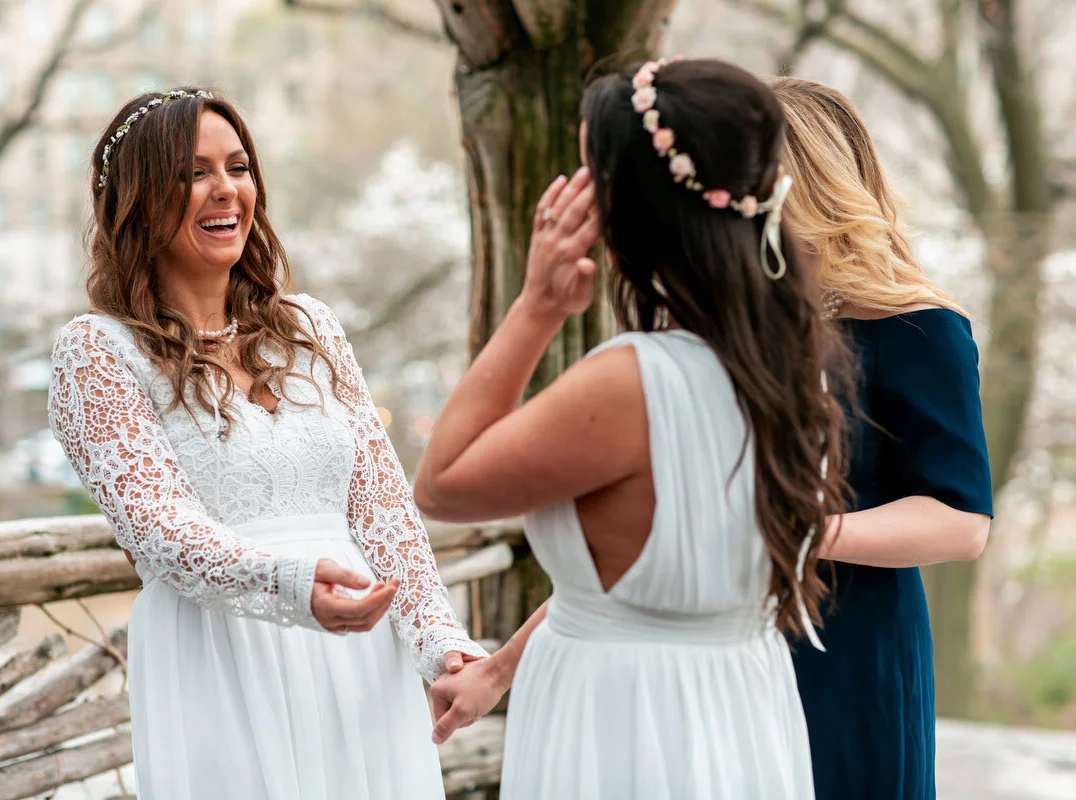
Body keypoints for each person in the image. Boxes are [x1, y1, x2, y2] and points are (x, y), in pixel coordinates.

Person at [413, 58, 852, 798]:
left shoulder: (632, 380)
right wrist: (499, 667)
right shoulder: (789, 368)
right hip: (739, 709)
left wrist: (537, 307)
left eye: (591, 174)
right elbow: (641, 590)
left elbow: (442, 483)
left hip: (623, 720)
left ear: (623, 206)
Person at [47, 88, 486, 800]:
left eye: (239, 166)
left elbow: (383, 511)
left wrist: (442, 645)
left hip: (359, 661)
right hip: (221, 658)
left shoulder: (311, 328)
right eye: (193, 172)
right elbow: (159, 529)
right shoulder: (97, 352)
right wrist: (287, 585)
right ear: (138, 199)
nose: (225, 190)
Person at [771, 77, 994, 800]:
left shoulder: (920, 330)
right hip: (726, 644)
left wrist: (800, 532)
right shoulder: (748, 328)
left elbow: (961, 522)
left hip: (851, 650)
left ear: (804, 182)